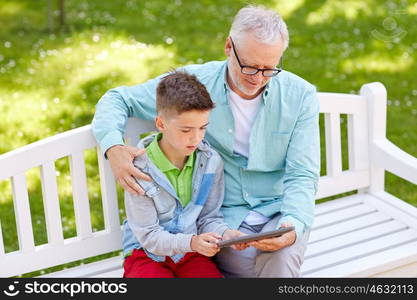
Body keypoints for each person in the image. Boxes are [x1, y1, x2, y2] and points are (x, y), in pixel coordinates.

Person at [93, 5, 320, 277]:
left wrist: (292, 226)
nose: (258, 79)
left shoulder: (301, 96)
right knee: (248, 267)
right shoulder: (193, 87)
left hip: (278, 210)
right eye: (249, 67)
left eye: (268, 69)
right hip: (221, 219)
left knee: (281, 262)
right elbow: (117, 99)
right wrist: (113, 148)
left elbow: (302, 174)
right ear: (228, 47)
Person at [122, 71, 246, 278]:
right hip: (146, 253)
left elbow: (208, 217)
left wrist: (227, 234)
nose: (195, 138)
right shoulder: (138, 169)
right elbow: (149, 236)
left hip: (190, 252)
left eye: (202, 128)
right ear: (161, 124)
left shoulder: (210, 162)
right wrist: (191, 243)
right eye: (186, 130)